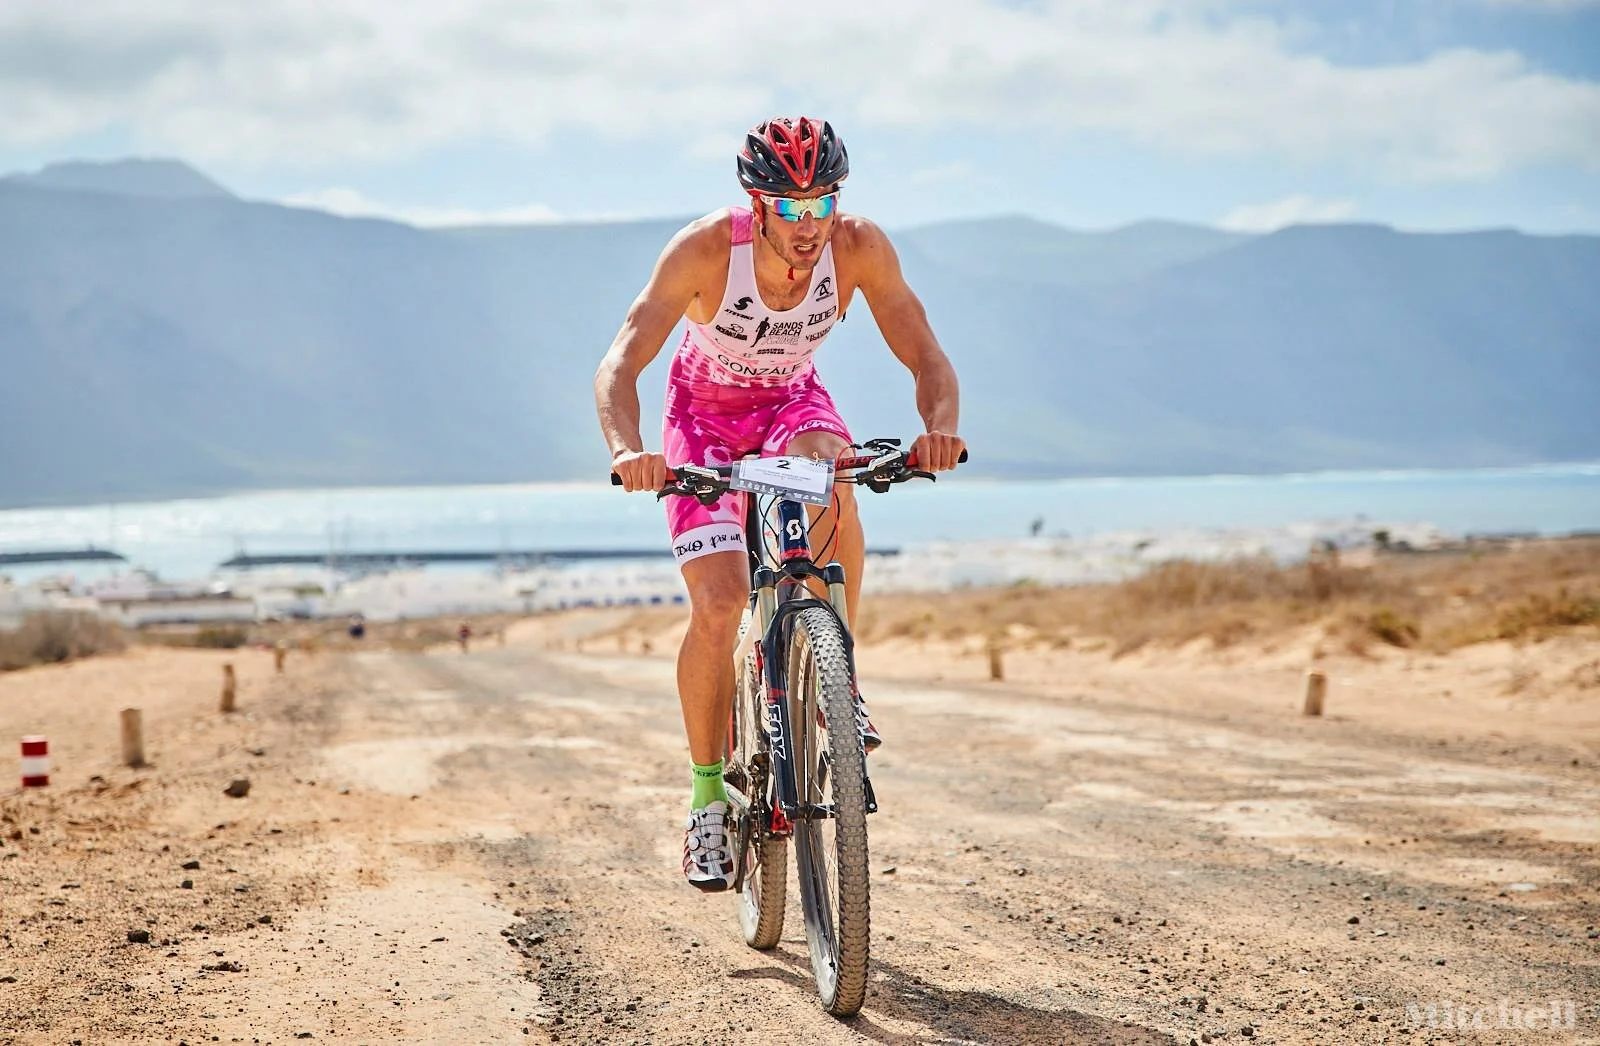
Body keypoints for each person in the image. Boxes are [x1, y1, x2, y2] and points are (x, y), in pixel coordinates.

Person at [595, 116, 965, 892]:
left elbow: (925, 352)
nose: (808, 224)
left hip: (793, 404)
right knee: (720, 602)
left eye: (822, 202)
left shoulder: (858, 247)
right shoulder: (706, 250)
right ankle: (706, 799)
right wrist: (628, 451)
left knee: (835, 467)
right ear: (757, 205)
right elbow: (621, 362)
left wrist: (939, 430)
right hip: (702, 420)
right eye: (790, 207)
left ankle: (838, 679)